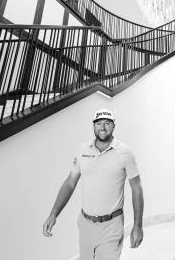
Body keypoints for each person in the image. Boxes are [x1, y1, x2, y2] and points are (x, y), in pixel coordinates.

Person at [43, 109, 144, 259]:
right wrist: (53, 214)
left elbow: (137, 190)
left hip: (112, 225)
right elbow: (70, 183)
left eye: (107, 123)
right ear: (93, 126)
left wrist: (138, 226)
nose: (102, 127)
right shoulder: (83, 150)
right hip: (85, 224)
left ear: (113, 126)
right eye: (98, 123)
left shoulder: (125, 152)